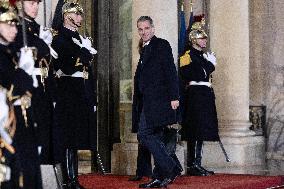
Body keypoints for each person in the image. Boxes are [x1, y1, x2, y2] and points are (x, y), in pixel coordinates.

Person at [51, 1, 97, 188]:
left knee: (76, 139)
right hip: (68, 92)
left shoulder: (78, 37)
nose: (80, 18)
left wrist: (91, 95)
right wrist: (86, 51)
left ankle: (74, 178)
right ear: (66, 16)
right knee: (69, 138)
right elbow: (69, 65)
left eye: (80, 14)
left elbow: (87, 70)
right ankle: (70, 180)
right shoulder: (60, 37)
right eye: (76, 14)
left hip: (80, 91)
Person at [132, 16, 182, 188]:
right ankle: (159, 176)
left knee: (144, 133)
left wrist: (175, 97)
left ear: (152, 28)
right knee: (156, 136)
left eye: (146, 28)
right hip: (148, 101)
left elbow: (170, 71)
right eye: (140, 29)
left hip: (160, 100)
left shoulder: (161, 45)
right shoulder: (144, 49)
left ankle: (170, 167)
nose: (143, 32)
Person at [0, 1, 42, 188]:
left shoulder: (11, 53)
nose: (14, 29)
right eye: (8, 24)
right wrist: (24, 71)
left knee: (28, 171)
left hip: (22, 120)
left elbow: (28, 88)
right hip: (7, 123)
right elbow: (17, 84)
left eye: (15, 24)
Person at [9, 0, 57, 165]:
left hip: (43, 90)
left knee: (45, 136)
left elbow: (49, 67)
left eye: (37, 3)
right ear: (20, 4)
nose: (35, 7)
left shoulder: (38, 30)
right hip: (28, 90)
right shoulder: (15, 28)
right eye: (31, 3)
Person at [179, 19, 219, 176]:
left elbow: (204, 74)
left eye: (205, 38)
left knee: (201, 129)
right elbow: (190, 74)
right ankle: (192, 165)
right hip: (195, 96)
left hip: (205, 95)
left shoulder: (203, 56)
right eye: (202, 38)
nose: (205, 41)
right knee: (194, 130)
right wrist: (210, 66)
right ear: (194, 38)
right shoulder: (187, 56)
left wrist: (207, 66)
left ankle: (198, 162)